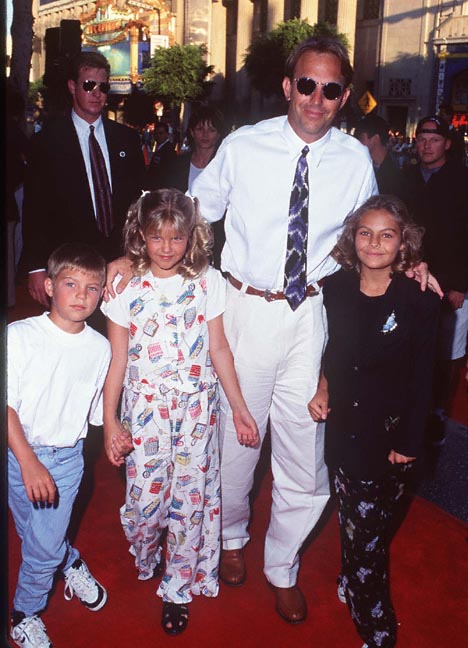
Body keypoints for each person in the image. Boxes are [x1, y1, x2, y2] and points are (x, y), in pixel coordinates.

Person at [104, 36, 437, 623]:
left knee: (307, 452)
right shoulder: (243, 145)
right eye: (306, 84)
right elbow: (187, 214)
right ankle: (232, 538)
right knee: (236, 439)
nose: (316, 98)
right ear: (288, 86)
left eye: (331, 89)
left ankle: (281, 564)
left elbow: (371, 233)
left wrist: (411, 259)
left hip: (314, 315)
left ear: (343, 97)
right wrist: (129, 256)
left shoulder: (355, 160)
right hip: (244, 309)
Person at [101, 189, 258, 636]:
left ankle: (177, 588)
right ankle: (148, 553)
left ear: (193, 236)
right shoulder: (125, 285)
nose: (166, 248)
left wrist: (240, 408)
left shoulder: (209, 281)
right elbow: (117, 359)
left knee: (191, 502)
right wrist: (111, 421)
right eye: (156, 238)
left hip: (195, 410)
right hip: (145, 408)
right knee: (145, 503)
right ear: (141, 236)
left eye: (177, 237)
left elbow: (219, 348)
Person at [308, 195, 440, 648]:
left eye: (387, 234)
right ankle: (379, 633)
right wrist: (324, 387)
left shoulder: (419, 299)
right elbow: (334, 351)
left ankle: (355, 581)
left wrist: (409, 441)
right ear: (352, 238)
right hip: (346, 434)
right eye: (365, 232)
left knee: (372, 530)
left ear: (403, 243)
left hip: (395, 438)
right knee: (364, 540)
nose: (375, 243)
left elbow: (426, 380)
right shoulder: (335, 288)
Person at [8, 243, 112, 648]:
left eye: (92, 287)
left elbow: (98, 414)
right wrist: (29, 461)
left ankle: (24, 612)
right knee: (33, 533)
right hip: (18, 454)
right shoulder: (19, 335)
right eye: (71, 284)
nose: (82, 295)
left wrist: (116, 432)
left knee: (41, 546)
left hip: (67, 460)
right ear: (49, 286)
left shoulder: (100, 348)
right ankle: (69, 561)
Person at [21, 51, 145, 308]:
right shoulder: (47, 142)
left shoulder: (127, 139)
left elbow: (139, 204)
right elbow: (35, 209)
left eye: (103, 86)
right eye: (89, 85)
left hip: (120, 263)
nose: (97, 93)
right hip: (69, 265)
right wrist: (35, 266)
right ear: (72, 87)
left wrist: (140, 253)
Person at [403, 115, 468, 444]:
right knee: (413, 346)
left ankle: (439, 411)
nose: (426, 144)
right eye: (422, 138)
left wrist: (460, 284)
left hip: (452, 283)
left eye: (434, 138)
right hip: (411, 279)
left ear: (447, 143)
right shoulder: (406, 177)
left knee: (447, 352)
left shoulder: (461, 180)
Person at [164, 105, 226, 268]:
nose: (205, 135)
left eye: (211, 130)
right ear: (191, 132)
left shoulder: (225, 166)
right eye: (200, 129)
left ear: (218, 134)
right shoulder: (177, 164)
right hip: (180, 239)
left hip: (218, 243)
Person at [354, 114, 404, 197]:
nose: (357, 143)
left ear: (375, 139)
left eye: (361, 138)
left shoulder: (398, 173)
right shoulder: (361, 166)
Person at [146, 121, 177, 190]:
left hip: (161, 188)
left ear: (167, 134)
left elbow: (169, 174)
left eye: (161, 133)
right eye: (156, 133)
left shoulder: (169, 151)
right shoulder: (160, 148)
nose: (158, 136)